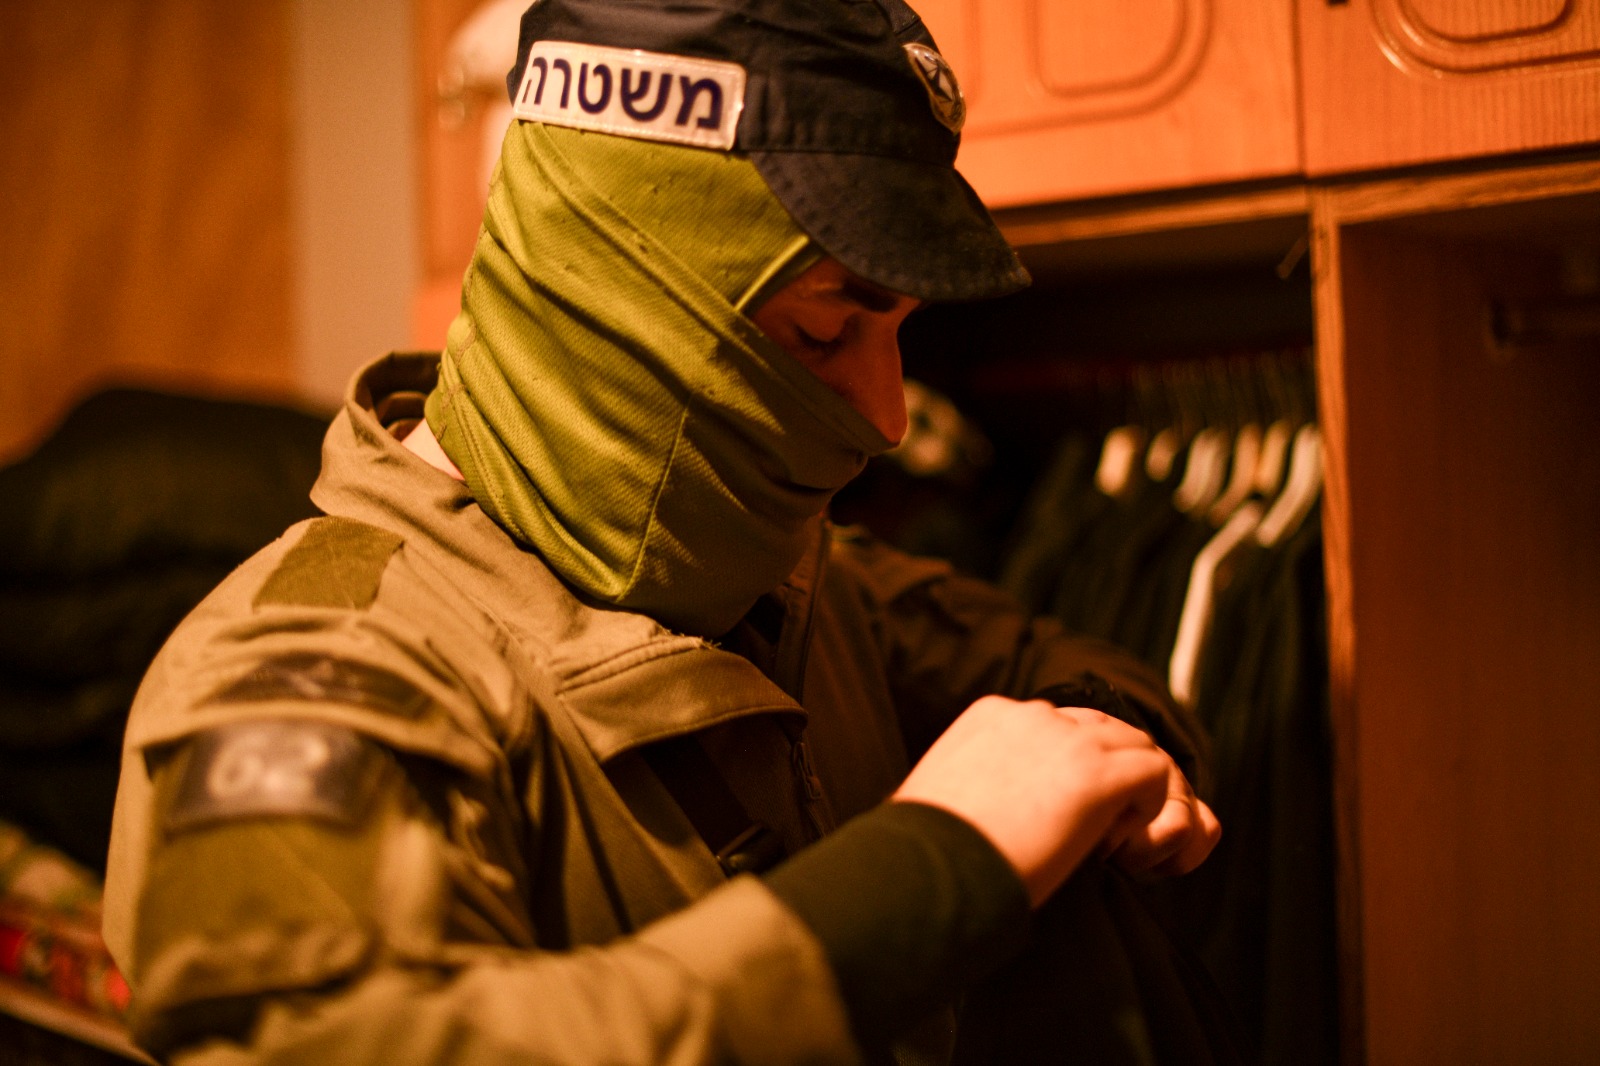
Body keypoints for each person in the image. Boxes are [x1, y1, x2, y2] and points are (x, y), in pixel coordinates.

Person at [103, 0, 1222, 1062]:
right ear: (616, 281)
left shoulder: (790, 579)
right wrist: (936, 869)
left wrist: (1098, 750)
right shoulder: (307, 675)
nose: (887, 417)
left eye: (899, 335)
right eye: (825, 330)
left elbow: (1040, 660)